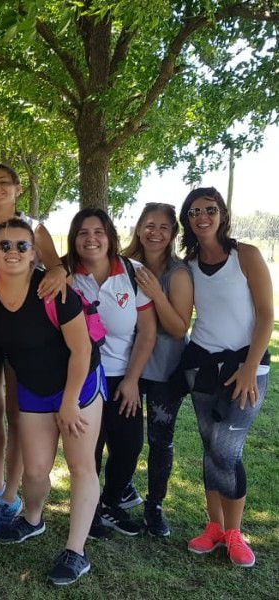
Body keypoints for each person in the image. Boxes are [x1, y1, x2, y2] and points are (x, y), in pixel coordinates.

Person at [0, 218, 103, 585]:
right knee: (34, 471)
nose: (13, 252)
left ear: (34, 253)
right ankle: (33, 519)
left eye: (22, 246)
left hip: (77, 382)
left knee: (81, 465)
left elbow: (82, 350)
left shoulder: (55, 291)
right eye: (5, 246)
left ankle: (76, 551)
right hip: (33, 386)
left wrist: (69, 402)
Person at [0, 165, 68, 535]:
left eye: (2, 183)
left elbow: (57, 270)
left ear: (18, 188)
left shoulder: (34, 227)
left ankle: (12, 498)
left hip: (24, 333)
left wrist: (59, 271)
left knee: (19, 414)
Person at [177, 187, 271, 567]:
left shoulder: (245, 255)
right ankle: (214, 527)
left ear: (222, 214)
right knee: (210, 448)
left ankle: (234, 533)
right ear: (187, 218)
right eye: (195, 210)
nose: (203, 216)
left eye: (210, 209)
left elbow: (266, 314)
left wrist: (250, 367)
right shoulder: (189, 264)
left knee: (227, 451)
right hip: (201, 365)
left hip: (247, 367)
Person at [66, 208, 156, 538]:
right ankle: (87, 516)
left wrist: (132, 380)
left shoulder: (133, 272)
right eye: (83, 233)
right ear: (74, 239)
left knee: (129, 446)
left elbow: (147, 332)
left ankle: (111, 503)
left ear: (110, 237)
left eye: (99, 231)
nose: (91, 238)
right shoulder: (65, 275)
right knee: (89, 450)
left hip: (122, 377)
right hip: (84, 376)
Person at [123, 203, 193, 536]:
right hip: (127, 365)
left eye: (164, 227)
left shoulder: (178, 273)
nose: (155, 232)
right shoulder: (123, 264)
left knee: (160, 440)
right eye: (149, 225)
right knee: (124, 437)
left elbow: (178, 328)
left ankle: (155, 506)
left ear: (173, 235)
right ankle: (119, 491)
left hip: (166, 370)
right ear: (139, 228)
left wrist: (155, 293)